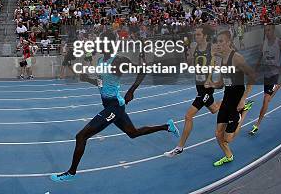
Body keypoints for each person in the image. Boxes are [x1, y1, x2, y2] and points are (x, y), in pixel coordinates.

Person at [51, 55, 180, 182]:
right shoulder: (101, 60)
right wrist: (87, 79)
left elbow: (142, 70)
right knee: (133, 133)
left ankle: (71, 172)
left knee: (81, 136)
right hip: (112, 106)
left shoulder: (119, 61)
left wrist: (131, 91)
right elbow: (101, 82)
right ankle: (167, 126)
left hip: (114, 107)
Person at [164, 25, 222, 157]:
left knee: (188, 116)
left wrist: (213, 78)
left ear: (205, 36)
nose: (196, 37)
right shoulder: (194, 47)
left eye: (199, 34)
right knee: (214, 109)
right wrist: (188, 56)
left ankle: (180, 147)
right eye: (195, 34)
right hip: (199, 85)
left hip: (207, 89)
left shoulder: (211, 47)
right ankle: (232, 103)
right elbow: (190, 64)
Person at [209, 30, 255, 167]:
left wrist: (243, 99)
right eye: (218, 41)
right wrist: (213, 84)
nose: (219, 44)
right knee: (218, 134)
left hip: (237, 102)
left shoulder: (237, 58)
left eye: (222, 41)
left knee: (227, 138)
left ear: (229, 42)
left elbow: (252, 76)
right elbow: (222, 83)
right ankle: (229, 156)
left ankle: (244, 112)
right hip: (226, 99)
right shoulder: (220, 60)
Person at [249, 24, 281, 135]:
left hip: (275, 75)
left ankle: (257, 125)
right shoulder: (263, 45)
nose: (267, 32)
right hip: (266, 75)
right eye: (265, 31)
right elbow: (259, 58)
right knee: (268, 98)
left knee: (266, 99)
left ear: (273, 31)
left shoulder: (279, 43)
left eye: (269, 30)